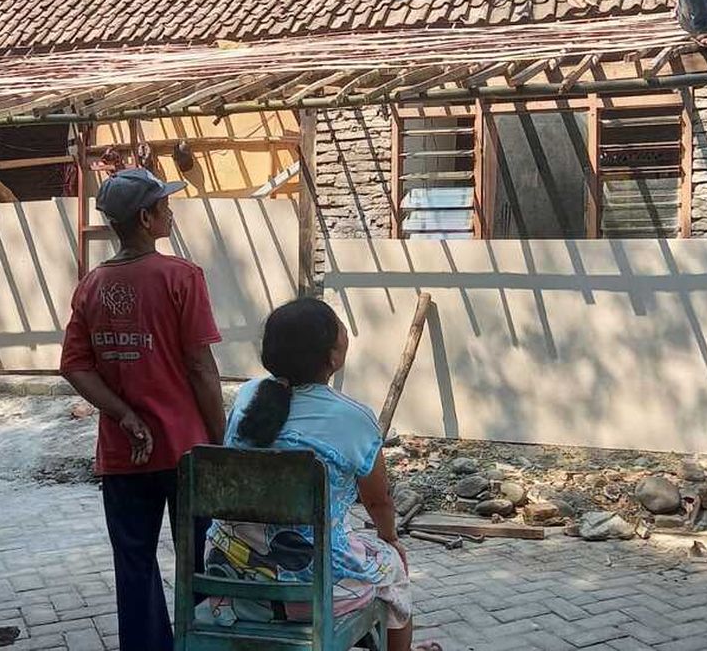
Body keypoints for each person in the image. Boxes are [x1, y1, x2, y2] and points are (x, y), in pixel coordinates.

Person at [198, 298, 439, 651]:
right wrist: (390, 539)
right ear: (333, 357)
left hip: (228, 576)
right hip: (308, 590)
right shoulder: (354, 418)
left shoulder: (249, 396)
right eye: (342, 330)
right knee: (393, 568)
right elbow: (378, 499)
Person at [60, 167, 226, 651]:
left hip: (122, 453)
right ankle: (203, 643)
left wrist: (123, 414)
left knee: (133, 564)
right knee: (198, 562)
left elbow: (74, 366)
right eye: (164, 205)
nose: (170, 211)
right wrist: (220, 438)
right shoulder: (182, 277)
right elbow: (201, 367)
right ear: (147, 217)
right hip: (185, 450)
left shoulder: (91, 286)